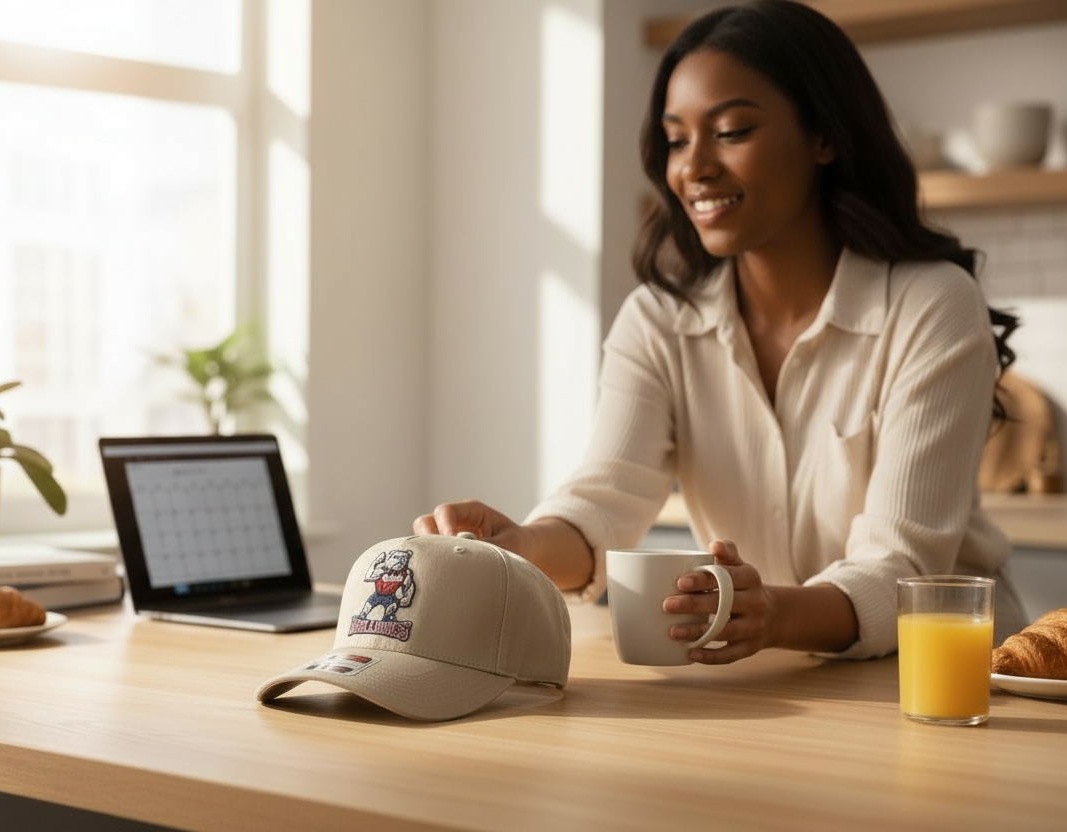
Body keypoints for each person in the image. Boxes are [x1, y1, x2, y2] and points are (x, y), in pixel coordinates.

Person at [414, 0, 1027, 663]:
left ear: (824, 136)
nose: (694, 167)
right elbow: (605, 499)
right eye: (677, 139)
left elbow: (901, 565)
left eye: (732, 130)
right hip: (770, 677)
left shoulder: (930, 305)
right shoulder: (658, 322)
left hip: (951, 682)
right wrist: (523, 547)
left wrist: (769, 613)